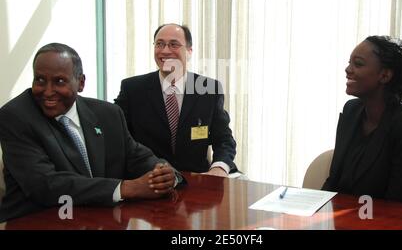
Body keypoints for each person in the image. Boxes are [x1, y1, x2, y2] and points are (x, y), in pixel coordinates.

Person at [0, 43, 181, 222]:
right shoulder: (16, 116)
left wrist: (164, 174)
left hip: (100, 219)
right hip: (36, 221)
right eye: (40, 80)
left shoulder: (108, 114)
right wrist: (125, 188)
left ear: (81, 83)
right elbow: (45, 184)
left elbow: (136, 156)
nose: (47, 91)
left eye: (59, 81)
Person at [115, 23, 238, 177]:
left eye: (173, 44)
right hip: (148, 181)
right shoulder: (132, 89)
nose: (165, 50)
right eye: (159, 44)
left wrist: (219, 167)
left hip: (196, 182)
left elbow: (224, 139)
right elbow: (118, 137)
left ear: (189, 51)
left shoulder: (208, 89)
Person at [322, 36, 402, 204]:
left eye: (358, 64)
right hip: (344, 219)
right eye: (349, 62)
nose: (348, 69)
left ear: (384, 75)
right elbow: (334, 181)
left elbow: (397, 203)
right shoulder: (351, 110)